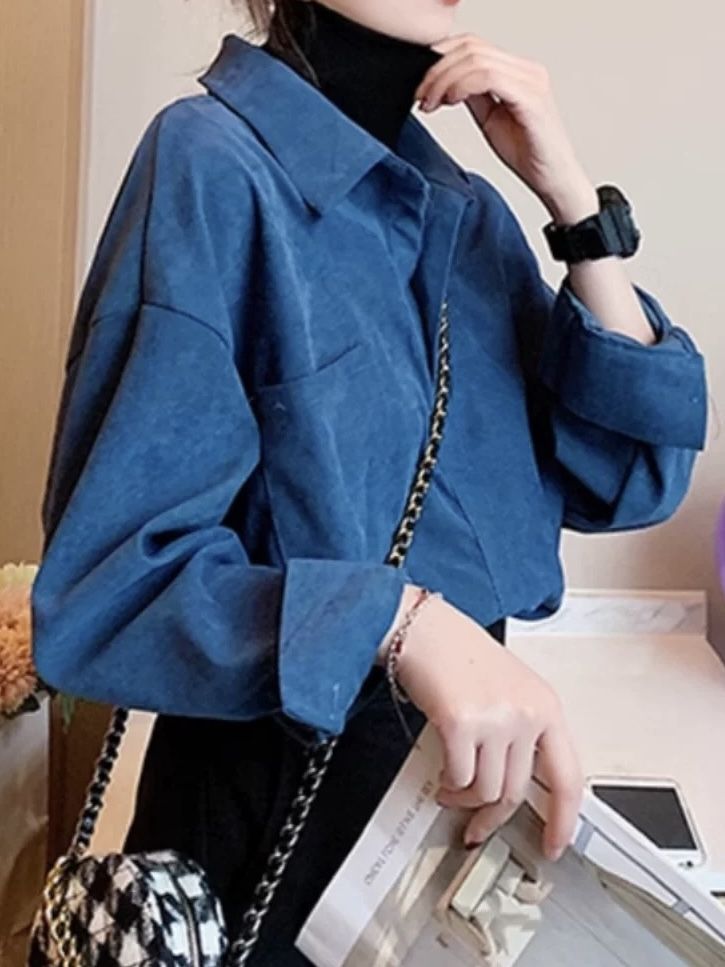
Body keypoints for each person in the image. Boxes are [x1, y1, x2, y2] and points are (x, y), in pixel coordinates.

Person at [31, 0, 708, 962]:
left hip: (438, 830)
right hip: (264, 837)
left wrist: (573, 207)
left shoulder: (462, 211)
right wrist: (398, 620)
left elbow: (628, 477)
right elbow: (109, 587)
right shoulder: (211, 164)